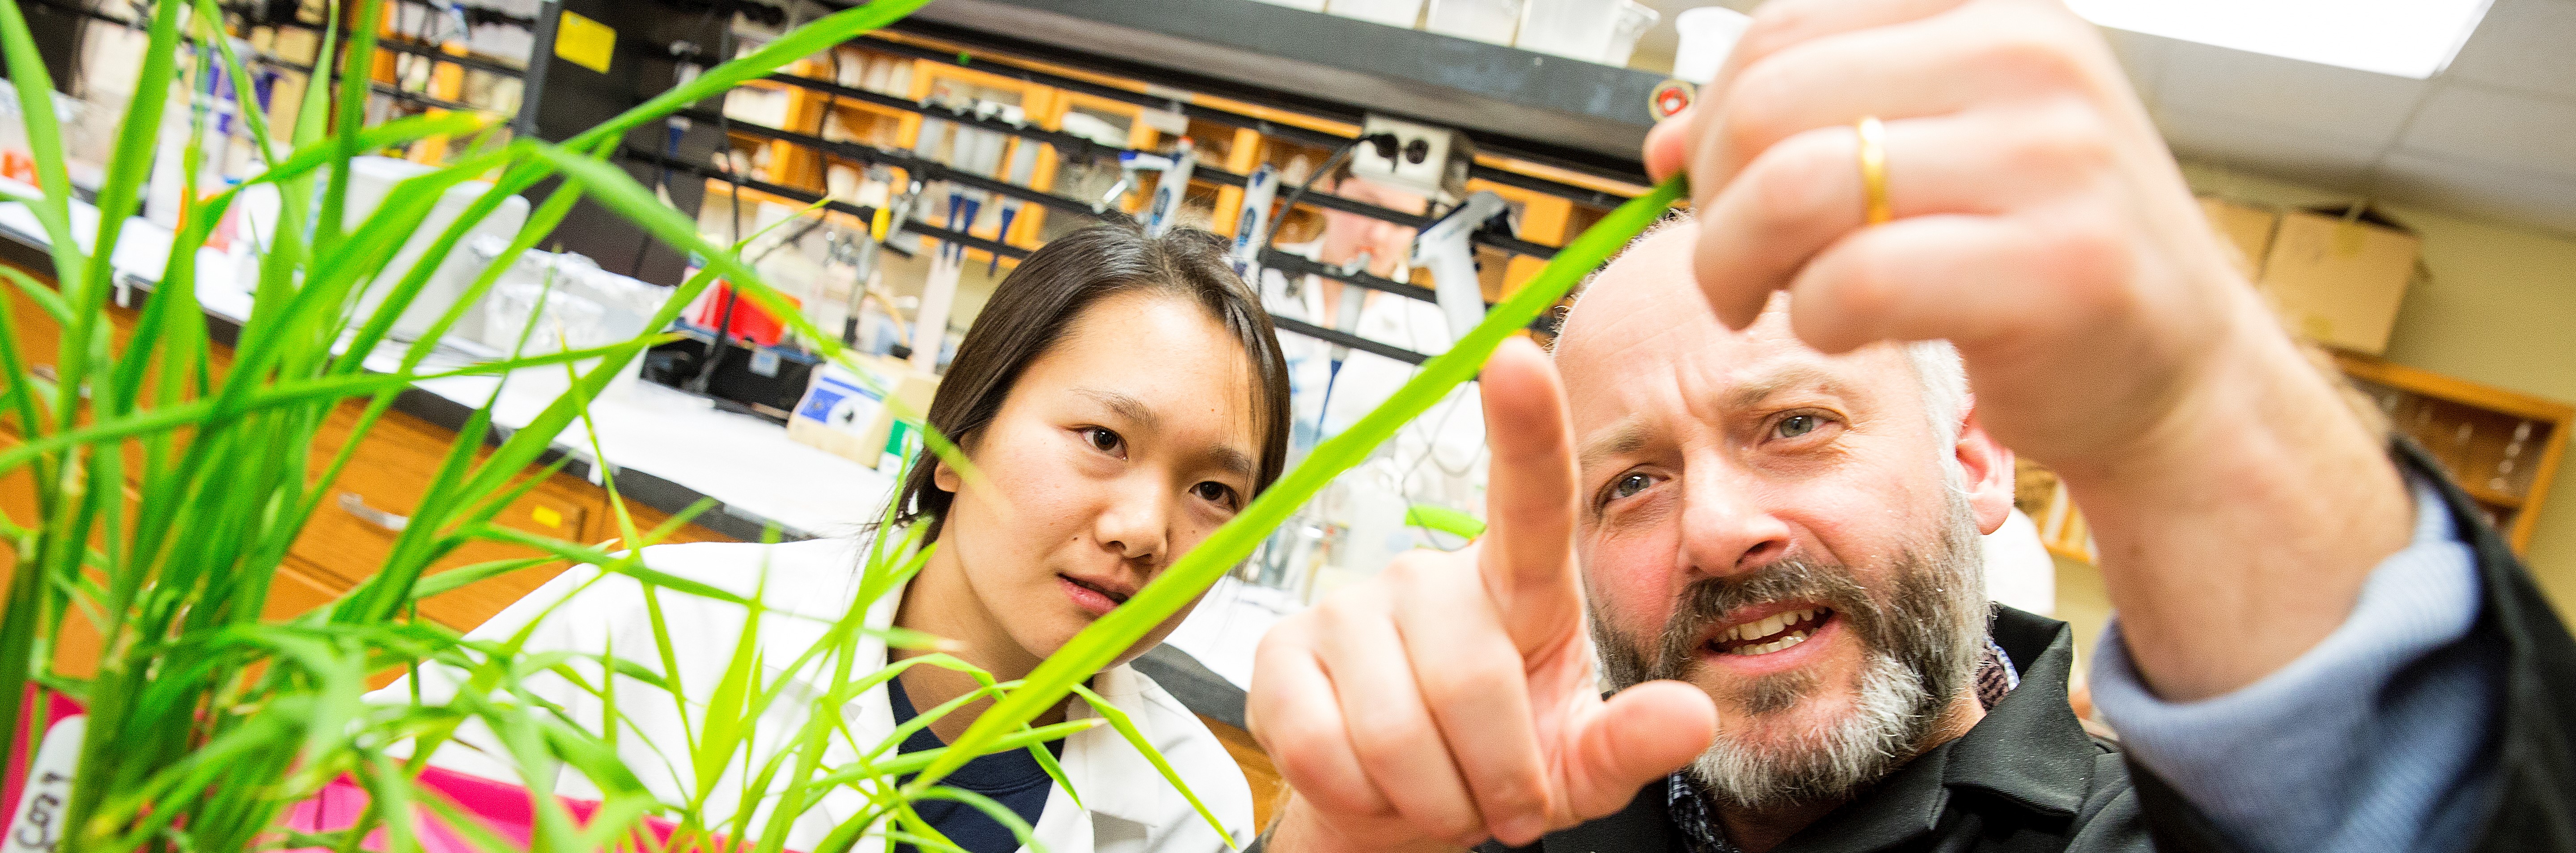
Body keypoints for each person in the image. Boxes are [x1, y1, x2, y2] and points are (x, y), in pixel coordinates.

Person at [1242, 1, 2576, 852]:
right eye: (1631, 482)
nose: (1713, 524)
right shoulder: (1506, 821)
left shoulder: (2145, 838)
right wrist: (1346, 835)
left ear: (1976, 458)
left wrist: (2192, 410)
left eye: (1797, 421)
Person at [379, 221, 1292, 853]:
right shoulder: (635, 631)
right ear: (953, 441)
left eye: (1214, 489)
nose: (1143, 531)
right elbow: (331, 805)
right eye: (1103, 440)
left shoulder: (1190, 810)